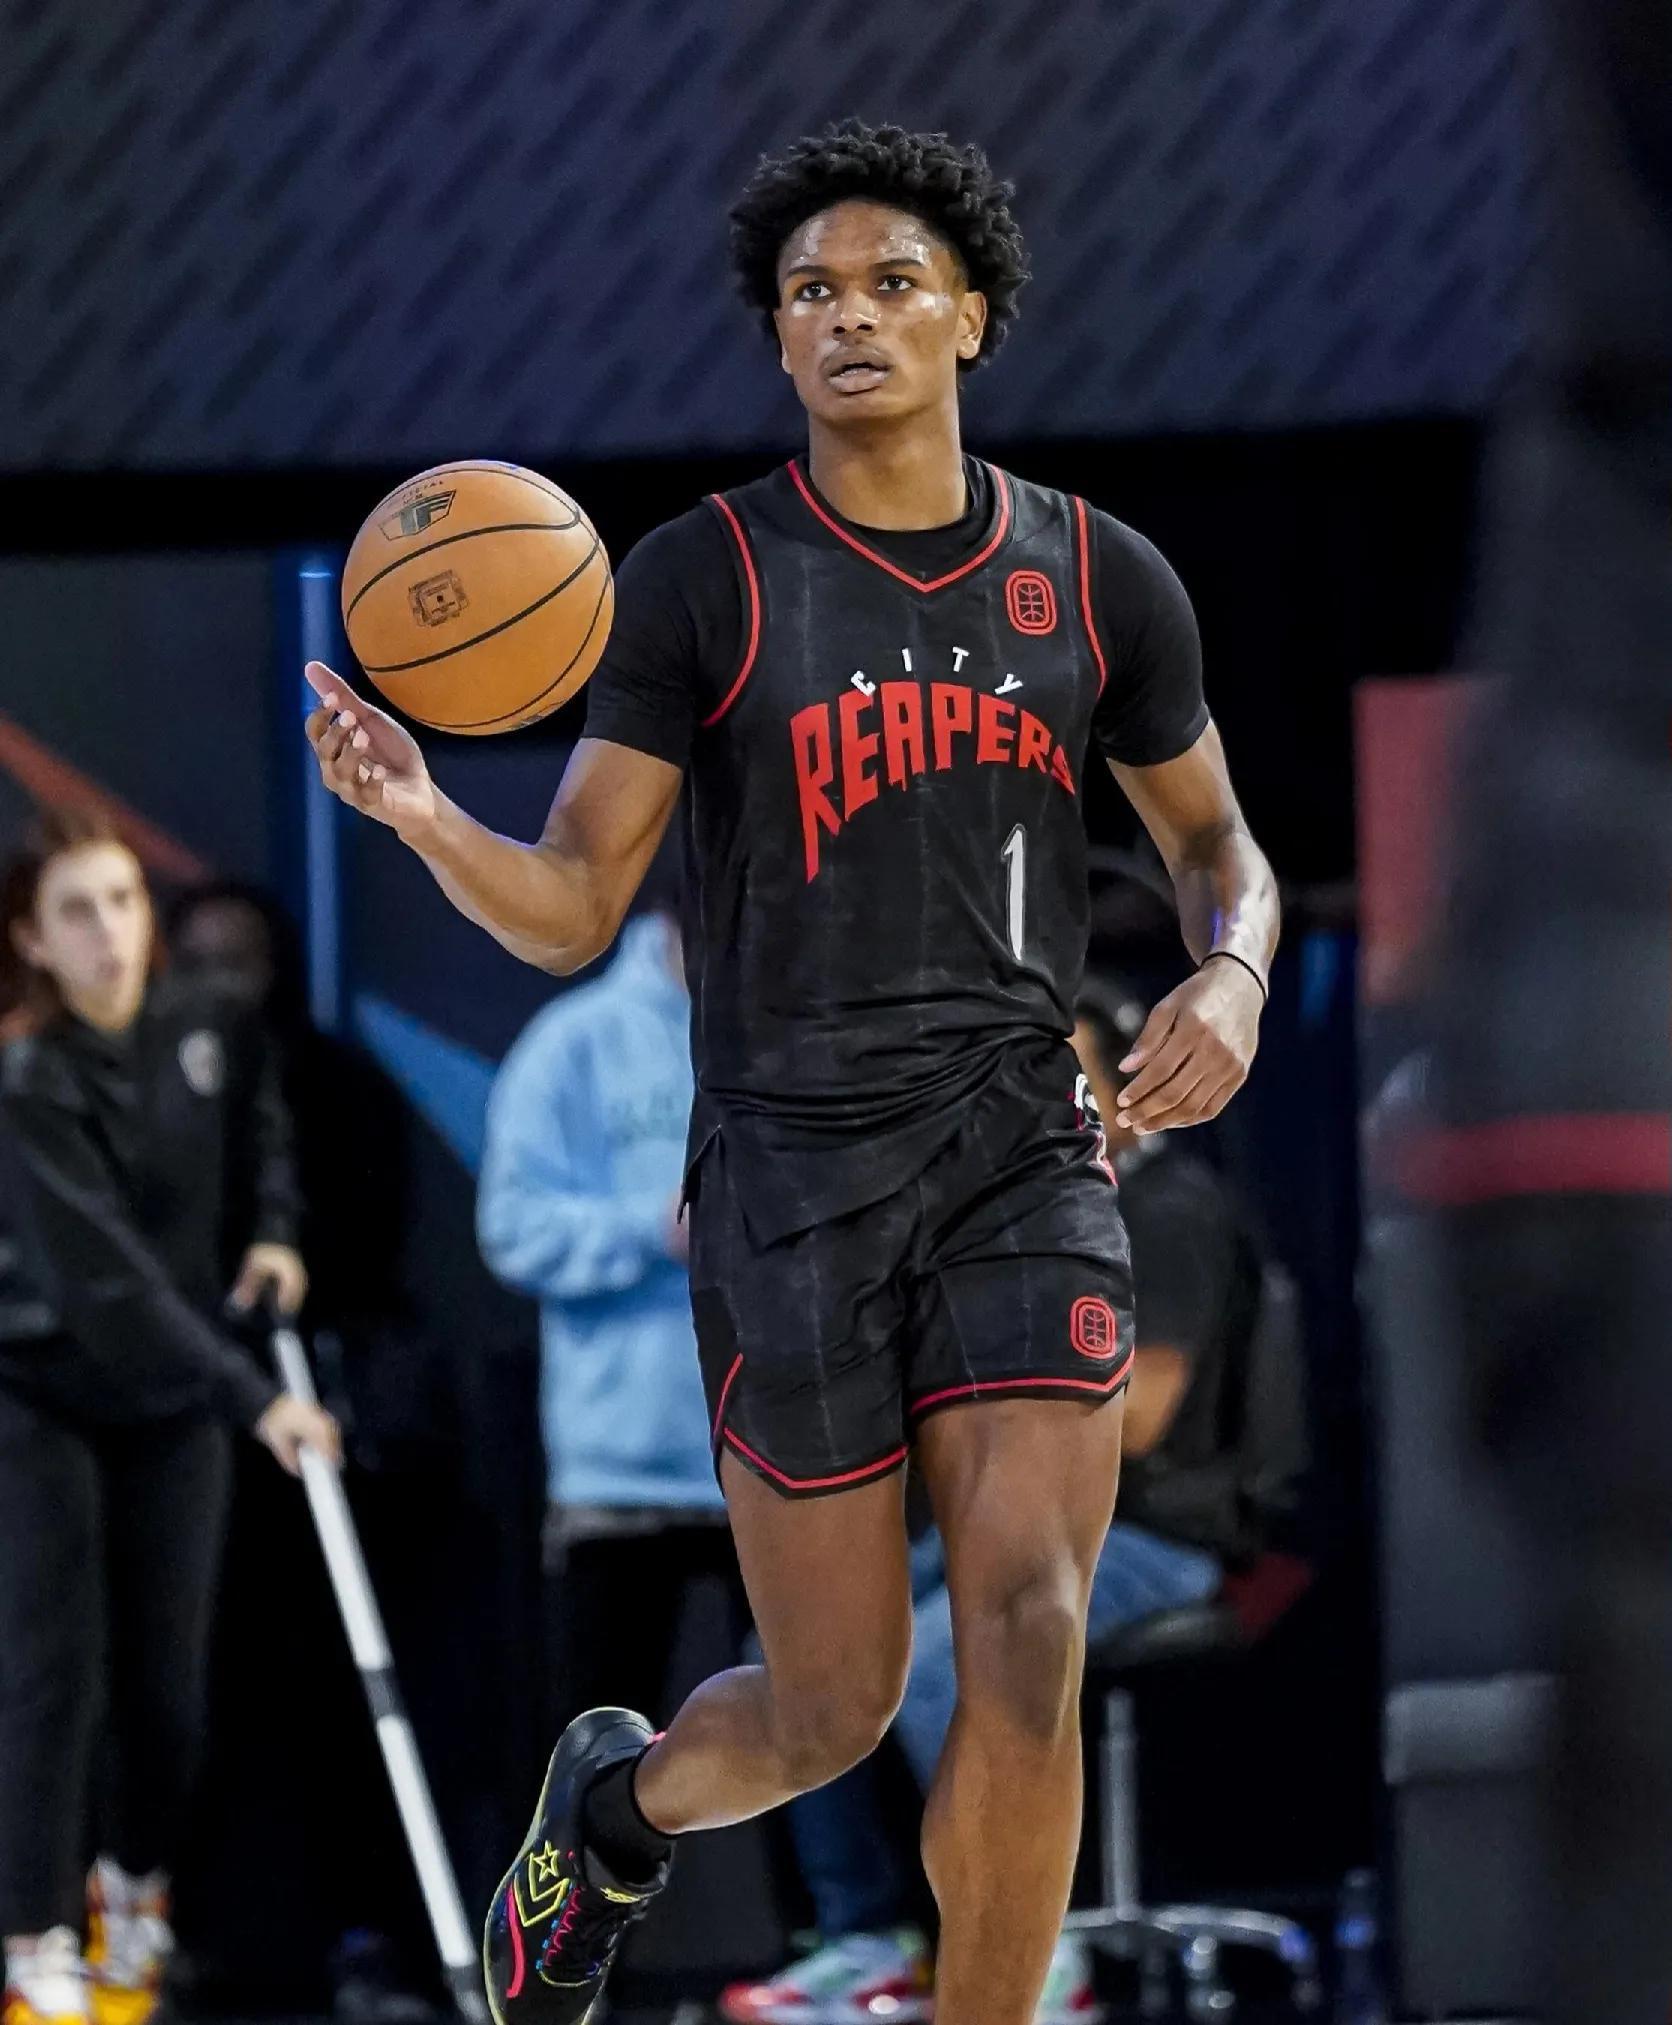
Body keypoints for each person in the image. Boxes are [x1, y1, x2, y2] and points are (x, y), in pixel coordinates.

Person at [303, 120, 1279, 2025]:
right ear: (774, 337)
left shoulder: (1095, 576)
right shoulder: (702, 579)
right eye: (810, 291)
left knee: (1027, 1630)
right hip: (790, 1178)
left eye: (892, 283)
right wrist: (423, 813)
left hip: (1020, 1151)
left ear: (970, 316)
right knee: (831, 1706)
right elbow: (572, 906)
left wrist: (1233, 977)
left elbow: (1215, 844)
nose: (849, 317)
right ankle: (614, 1809)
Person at [719, 979, 1268, 2023]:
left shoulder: (1169, 1210)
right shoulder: (1007, 1221)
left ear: (1124, 1088)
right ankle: (866, 1938)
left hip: (1161, 1530)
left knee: (939, 1670)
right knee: (798, 1649)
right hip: (1024, 1507)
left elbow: (1140, 1417)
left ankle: (1030, 1946)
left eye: (1062, 1077)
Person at [0, 807, 340, 2025]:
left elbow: (264, 1138)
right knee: (54, 1670)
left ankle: (133, 1886)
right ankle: (35, 1934)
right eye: (76, 911)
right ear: (33, 941)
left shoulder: (211, 1026)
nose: (108, 931)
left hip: (175, 1396)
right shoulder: (28, 1077)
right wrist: (257, 1401)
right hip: (39, 1385)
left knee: (170, 1688)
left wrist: (277, 1232)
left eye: (123, 901)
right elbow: (108, 1284)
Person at [476, 889, 741, 1744]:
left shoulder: (803, 1036)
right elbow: (510, 1227)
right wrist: (652, 1229)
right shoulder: (574, 1042)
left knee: (802, 1764)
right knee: (600, 1755)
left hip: (778, 1464)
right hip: (619, 1479)